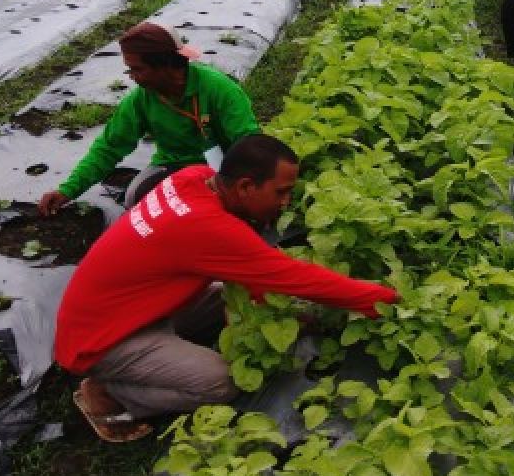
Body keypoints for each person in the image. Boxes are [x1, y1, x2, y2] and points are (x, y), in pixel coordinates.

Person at [54, 134, 400, 441]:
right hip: (101, 340)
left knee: (227, 295)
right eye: (281, 192)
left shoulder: (196, 177)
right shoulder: (209, 226)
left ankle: (150, 357)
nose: (286, 202)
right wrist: (383, 300)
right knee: (223, 382)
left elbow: (247, 274)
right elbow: (293, 276)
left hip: (123, 307)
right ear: (246, 187)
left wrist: (279, 307)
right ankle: (108, 393)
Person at [38, 22, 260, 216]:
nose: (133, 77)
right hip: (173, 167)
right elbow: (109, 147)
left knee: (226, 207)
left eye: (137, 69)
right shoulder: (141, 100)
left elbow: (248, 142)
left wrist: (230, 181)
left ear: (165, 65)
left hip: (223, 170)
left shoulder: (218, 88)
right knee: (136, 199)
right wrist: (67, 190)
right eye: (130, 71)